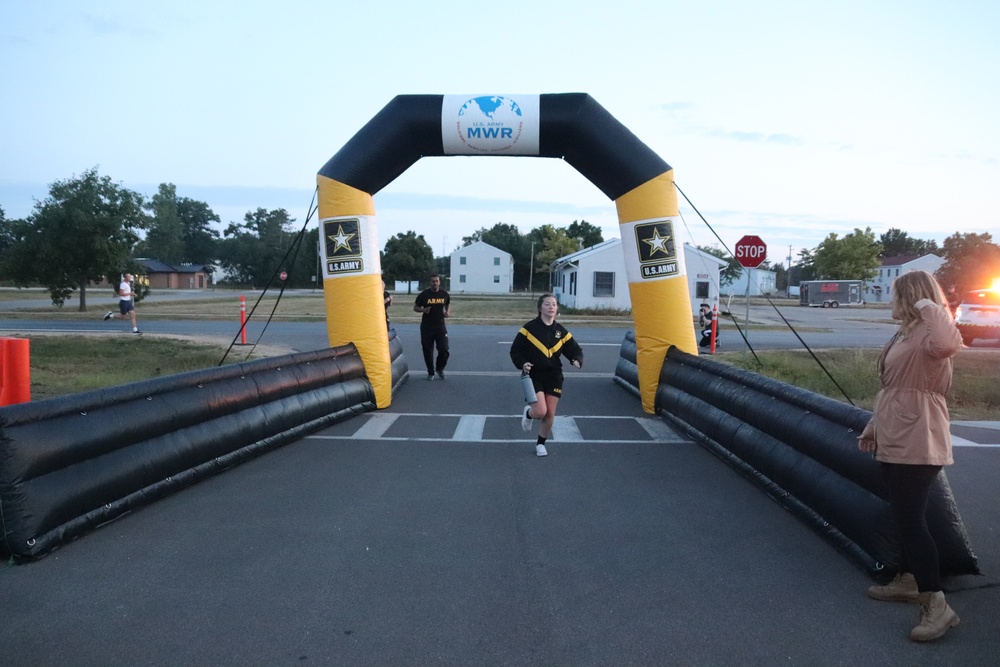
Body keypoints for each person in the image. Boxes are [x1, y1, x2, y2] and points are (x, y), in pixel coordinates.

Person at [857, 270, 962, 642]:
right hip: (895, 434)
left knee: (912, 522)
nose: (889, 302)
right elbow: (895, 387)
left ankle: (937, 605)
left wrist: (926, 303)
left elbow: (950, 342)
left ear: (910, 298)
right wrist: (874, 426)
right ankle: (909, 579)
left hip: (919, 439)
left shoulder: (931, 334)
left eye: (894, 295)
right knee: (905, 518)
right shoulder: (906, 333)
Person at [509, 293, 583, 457]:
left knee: (550, 413)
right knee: (540, 411)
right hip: (534, 375)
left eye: (554, 304)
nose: (551, 307)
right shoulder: (529, 328)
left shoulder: (561, 331)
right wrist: (522, 363)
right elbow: (515, 350)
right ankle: (529, 413)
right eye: (547, 304)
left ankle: (540, 444)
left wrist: (576, 359)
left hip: (554, 376)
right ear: (540, 308)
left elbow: (575, 349)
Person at [413, 274, 450, 380]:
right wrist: (423, 310)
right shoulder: (424, 295)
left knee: (444, 349)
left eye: (437, 281)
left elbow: (448, 304)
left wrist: (447, 312)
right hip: (427, 327)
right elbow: (415, 307)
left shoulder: (444, 294)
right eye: (433, 281)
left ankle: (440, 368)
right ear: (430, 283)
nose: (435, 283)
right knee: (428, 350)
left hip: (440, 326)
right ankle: (431, 372)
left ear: (439, 282)